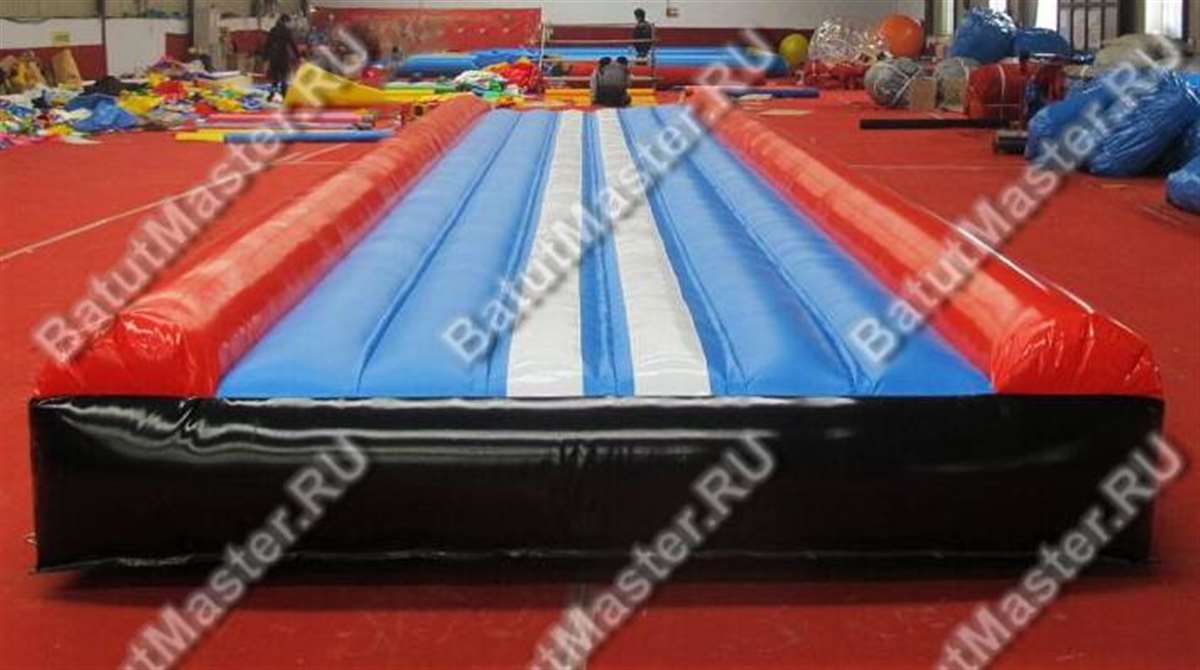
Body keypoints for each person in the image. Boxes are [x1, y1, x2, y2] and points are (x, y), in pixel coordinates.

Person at [265, 14, 301, 100]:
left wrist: (265, 57)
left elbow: (267, 45)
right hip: (283, 57)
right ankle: (284, 95)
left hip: (274, 58)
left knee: (275, 78)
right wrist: (298, 56)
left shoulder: (273, 30)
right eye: (289, 22)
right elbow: (292, 44)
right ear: (285, 22)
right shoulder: (286, 31)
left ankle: (272, 94)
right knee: (284, 78)